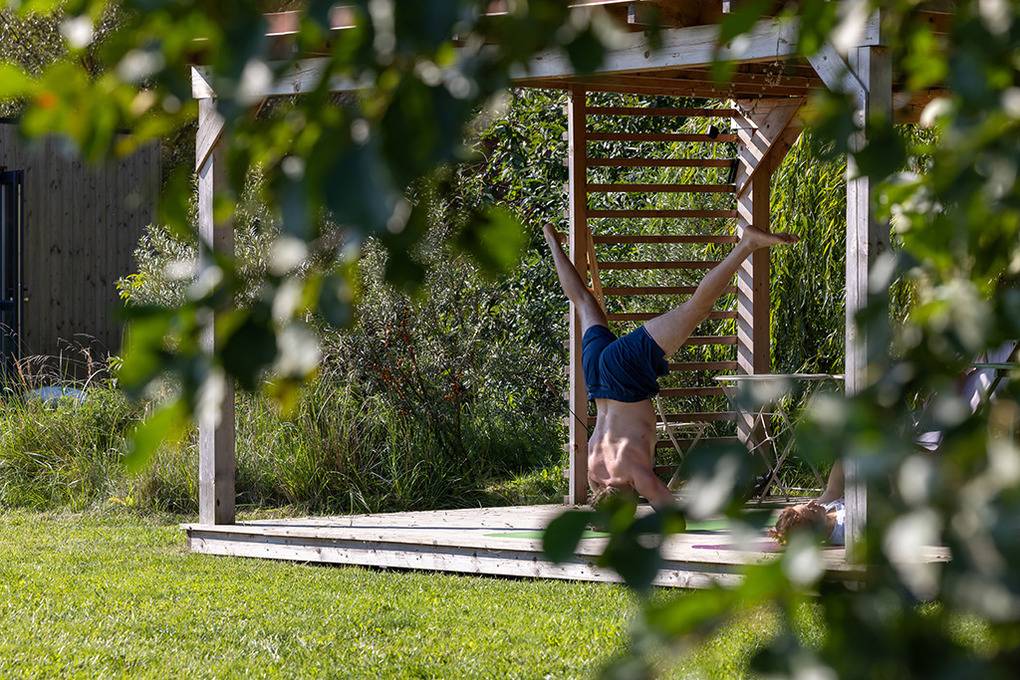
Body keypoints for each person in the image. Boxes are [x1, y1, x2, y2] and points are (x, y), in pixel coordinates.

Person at [543, 222, 799, 510]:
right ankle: (551, 240)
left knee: (696, 308)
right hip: (596, 378)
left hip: (624, 376)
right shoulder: (594, 474)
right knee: (583, 302)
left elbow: (672, 514)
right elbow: (601, 496)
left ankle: (747, 244)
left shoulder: (634, 476)